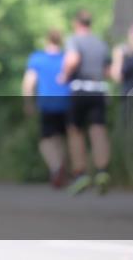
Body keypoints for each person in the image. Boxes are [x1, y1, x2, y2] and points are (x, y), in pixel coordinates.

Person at [58, 10, 111, 195]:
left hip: (80, 88)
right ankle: (102, 172)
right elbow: (108, 71)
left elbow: (73, 59)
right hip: (99, 89)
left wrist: (64, 75)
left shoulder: (74, 40)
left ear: (76, 23)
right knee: (98, 129)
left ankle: (81, 174)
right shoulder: (101, 43)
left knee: (75, 131)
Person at [22, 29, 71, 187]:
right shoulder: (66, 58)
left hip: (47, 104)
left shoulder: (37, 59)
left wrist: (28, 102)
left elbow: (29, 82)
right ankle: (62, 169)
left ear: (47, 40)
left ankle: (56, 167)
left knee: (46, 140)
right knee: (61, 138)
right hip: (67, 103)